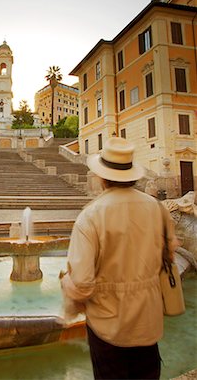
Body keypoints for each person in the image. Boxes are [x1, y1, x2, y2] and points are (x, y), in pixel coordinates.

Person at [60, 137, 178, 380]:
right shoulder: (157, 208)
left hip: (108, 326)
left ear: (102, 177)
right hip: (148, 321)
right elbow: (170, 253)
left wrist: (66, 286)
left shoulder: (90, 215)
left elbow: (82, 282)